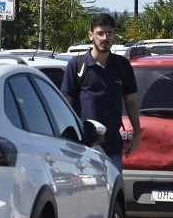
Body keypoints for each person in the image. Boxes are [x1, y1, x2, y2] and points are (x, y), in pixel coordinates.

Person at [60, 13, 142, 170]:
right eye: (100, 33)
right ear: (91, 35)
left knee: (114, 193)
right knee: (84, 194)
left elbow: (131, 101)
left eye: (109, 33)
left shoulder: (122, 66)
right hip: (82, 149)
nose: (105, 37)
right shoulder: (76, 66)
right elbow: (66, 105)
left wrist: (137, 134)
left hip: (113, 149)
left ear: (114, 35)